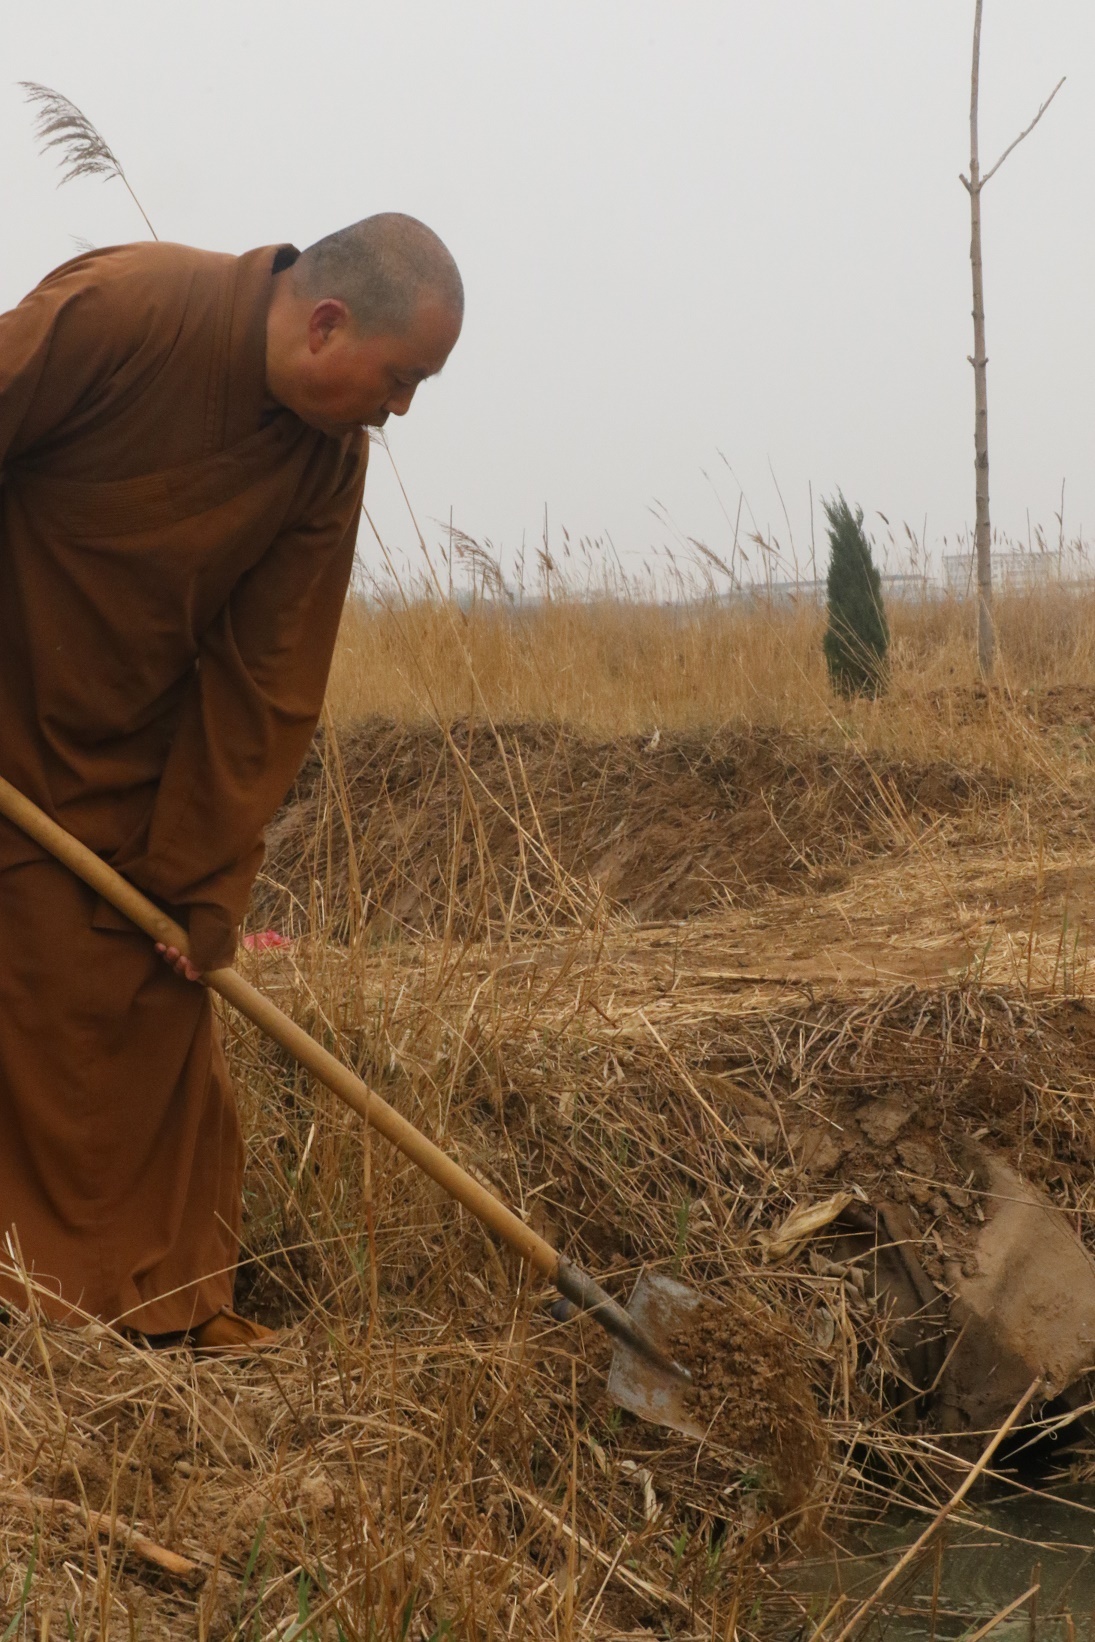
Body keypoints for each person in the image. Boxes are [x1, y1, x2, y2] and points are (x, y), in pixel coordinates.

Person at [0, 214, 463, 1351]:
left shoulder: (326, 459)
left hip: (131, 754)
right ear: (326, 324)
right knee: (38, 981)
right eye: (401, 379)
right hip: (11, 702)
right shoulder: (120, 313)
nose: (399, 411)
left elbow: (269, 674)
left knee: (162, 987)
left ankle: (163, 1301)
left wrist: (203, 872)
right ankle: (42, 1308)